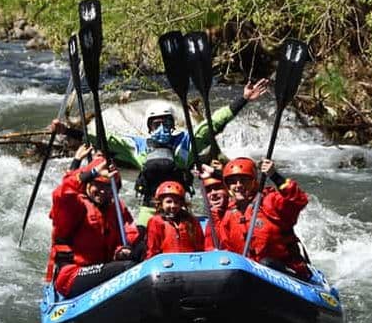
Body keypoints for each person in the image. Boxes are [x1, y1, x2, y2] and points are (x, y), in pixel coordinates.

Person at [51, 79, 270, 225]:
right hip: (149, 209)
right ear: (149, 127)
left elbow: (214, 123)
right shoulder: (136, 145)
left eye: (166, 123)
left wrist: (243, 99)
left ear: (173, 124)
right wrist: (67, 131)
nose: (162, 128)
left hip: (180, 207)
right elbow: (101, 140)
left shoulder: (187, 141)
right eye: (156, 124)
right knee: (141, 241)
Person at [46, 153, 141, 298]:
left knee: (140, 249)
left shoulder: (117, 208)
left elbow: (128, 236)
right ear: (88, 184)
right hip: (72, 274)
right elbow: (61, 194)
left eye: (108, 186)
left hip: (104, 268)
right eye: (98, 185)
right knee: (129, 268)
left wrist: (122, 251)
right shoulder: (75, 205)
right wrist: (92, 172)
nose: (103, 191)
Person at [218, 157, 311, 280]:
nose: (238, 185)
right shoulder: (228, 216)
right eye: (233, 182)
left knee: (266, 263)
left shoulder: (269, 201)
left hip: (286, 271)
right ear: (227, 186)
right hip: (251, 275)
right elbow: (227, 251)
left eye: (244, 180)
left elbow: (298, 200)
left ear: (253, 182)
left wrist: (274, 176)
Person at [145, 181, 204, 258]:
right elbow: (152, 250)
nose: (173, 206)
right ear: (161, 203)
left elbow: (200, 246)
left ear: (181, 204)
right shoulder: (156, 222)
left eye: (176, 202)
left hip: (189, 261)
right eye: (168, 202)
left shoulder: (191, 221)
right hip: (166, 262)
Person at [197, 160, 228, 250]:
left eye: (217, 188)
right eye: (208, 190)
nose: (213, 193)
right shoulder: (211, 218)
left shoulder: (239, 211)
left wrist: (215, 173)